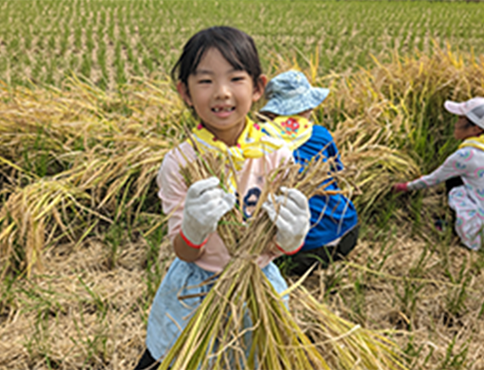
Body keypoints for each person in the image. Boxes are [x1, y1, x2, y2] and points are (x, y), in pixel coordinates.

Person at [134, 27, 310, 370]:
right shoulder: (181, 163)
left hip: (258, 291)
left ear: (258, 88)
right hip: (194, 291)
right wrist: (193, 229)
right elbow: (184, 251)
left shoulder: (277, 157)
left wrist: (292, 236)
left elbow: (280, 249)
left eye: (235, 78)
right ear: (184, 92)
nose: (222, 93)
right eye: (205, 81)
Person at [258, 70, 359, 276]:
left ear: (270, 113)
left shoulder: (259, 139)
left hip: (303, 249)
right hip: (347, 232)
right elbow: (336, 175)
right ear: (309, 107)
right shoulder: (322, 135)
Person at [393, 97, 484, 255]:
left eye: (461, 119)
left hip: (478, 234)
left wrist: (404, 187)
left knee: (455, 184)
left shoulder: (465, 155)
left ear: (475, 129)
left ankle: (460, 229)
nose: (456, 123)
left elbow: (433, 179)